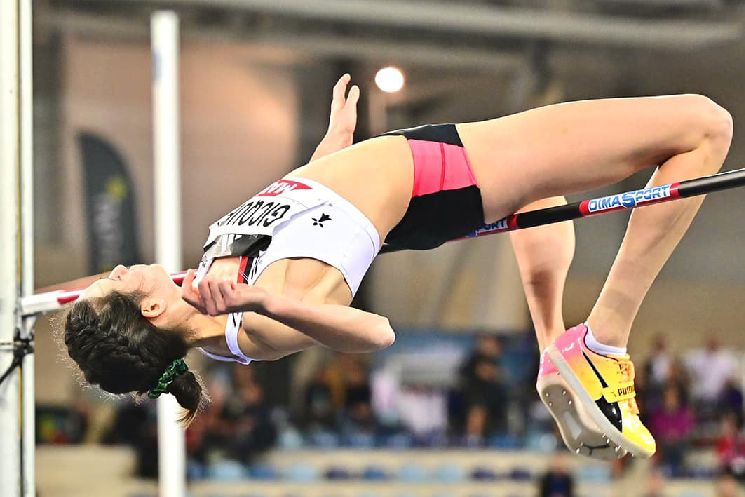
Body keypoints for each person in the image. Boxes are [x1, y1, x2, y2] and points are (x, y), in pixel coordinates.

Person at [61, 74, 734, 460]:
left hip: (419, 172)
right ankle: (602, 342)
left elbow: (311, 217)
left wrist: (333, 147)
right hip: (451, 172)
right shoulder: (251, 323)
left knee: (545, 197)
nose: (119, 265)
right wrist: (259, 303)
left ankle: (553, 344)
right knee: (702, 126)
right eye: (115, 281)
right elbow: (373, 332)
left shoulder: (201, 285)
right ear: (148, 312)